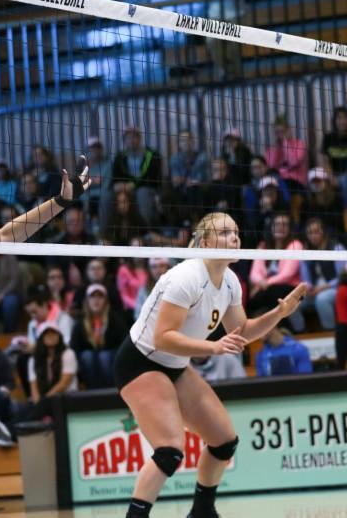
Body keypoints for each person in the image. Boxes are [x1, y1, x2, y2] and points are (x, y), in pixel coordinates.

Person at [114, 211, 306, 518]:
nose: (235, 237)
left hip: (174, 366)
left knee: (224, 441)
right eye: (226, 232)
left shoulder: (230, 281)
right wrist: (213, 346)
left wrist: (279, 314)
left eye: (236, 232)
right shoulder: (186, 278)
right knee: (169, 452)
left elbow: (242, 332)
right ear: (205, 241)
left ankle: (202, 512)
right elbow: (163, 338)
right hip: (140, 363)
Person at [0, 158, 88, 244]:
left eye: (30, 182)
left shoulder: (42, 200)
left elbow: (8, 235)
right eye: (25, 183)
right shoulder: (16, 205)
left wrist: (62, 201)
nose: (27, 186)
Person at [70, 284, 129, 389]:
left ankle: (111, 389)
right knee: (87, 356)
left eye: (100, 296)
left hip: (111, 357)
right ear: (87, 301)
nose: (96, 300)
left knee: (104, 357)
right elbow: (75, 347)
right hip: (88, 360)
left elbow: (124, 342)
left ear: (105, 301)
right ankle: (92, 390)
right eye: (92, 297)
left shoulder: (115, 319)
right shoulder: (80, 322)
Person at [248, 212, 303, 316]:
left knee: (273, 294)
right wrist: (261, 283)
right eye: (277, 224)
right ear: (271, 227)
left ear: (290, 228)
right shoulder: (263, 246)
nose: (280, 227)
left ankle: (281, 329)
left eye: (285, 224)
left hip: (288, 287)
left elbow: (287, 275)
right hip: (266, 288)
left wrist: (265, 283)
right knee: (254, 299)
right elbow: (254, 274)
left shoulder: (295, 245)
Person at [296, 217, 345, 332]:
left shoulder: (336, 248)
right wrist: (308, 288)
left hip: (336, 288)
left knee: (322, 299)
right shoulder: (306, 251)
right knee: (293, 303)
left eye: (316, 232)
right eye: (310, 233)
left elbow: (342, 277)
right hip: (315, 290)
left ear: (324, 232)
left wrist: (323, 288)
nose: (313, 236)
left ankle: (331, 332)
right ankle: (301, 331)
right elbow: (305, 277)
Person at [23, 323, 77, 421]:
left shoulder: (68, 354)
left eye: (54, 333)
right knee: (24, 409)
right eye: (46, 333)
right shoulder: (33, 359)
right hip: (43, 400)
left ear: (59, 336)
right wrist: (38, 403)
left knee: (36, 410)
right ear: (41, 338)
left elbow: (64, 384)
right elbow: (33, 386)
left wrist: (44, 400)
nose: (50, 336)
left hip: (65, 397)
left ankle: (13, 430)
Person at [111, 127, 163, 226]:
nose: (131, 140)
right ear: (124, 141)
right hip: (125, 190)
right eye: (128, 137)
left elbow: (154, 178)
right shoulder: (120, 156)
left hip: (148, 189)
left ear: (139, 138)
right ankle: (111, 233)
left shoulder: (152, 154)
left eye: (134, 137)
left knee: (142, 193)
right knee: (108, 195)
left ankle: (145, 231)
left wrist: (133, 185)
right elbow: (115, 178)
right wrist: (117, 185)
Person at [168, 130, 209, 222]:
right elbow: (175, 181)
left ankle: (195, 221)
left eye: (188, 139)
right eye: (182, 140)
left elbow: (201, 180)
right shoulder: (174, 159)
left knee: (194, 190)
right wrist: (189, 181)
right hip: (181, 191)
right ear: (179, 143)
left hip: (198, 191)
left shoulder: (202, 157)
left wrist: (185, 180)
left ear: (193, 141)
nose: (186, 142)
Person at [264, 115, 308, 195]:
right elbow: (272, 168)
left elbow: (293, 163)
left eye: (282, 131)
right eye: (277, 132)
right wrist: (277, 147)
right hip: (277, 181)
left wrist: (285, 143)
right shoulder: (271, 149)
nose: (280, 135)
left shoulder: (299, 145)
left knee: (284, 184)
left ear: (289, 130)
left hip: (296, 181)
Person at [320, 107, 347, 201]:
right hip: (332, 175)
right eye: (339, 118)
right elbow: (325, 161)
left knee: (345, 181)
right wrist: (331, 177)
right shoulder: (328, 138)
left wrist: (343, 177)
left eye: (345, 118)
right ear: (334, 121)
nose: (342, 121)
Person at [0, 254, 22, 334]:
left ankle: (8, 334)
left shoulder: (9, 257)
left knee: (11, 303)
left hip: (6, 294)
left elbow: (15, 279)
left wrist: (1, 296)